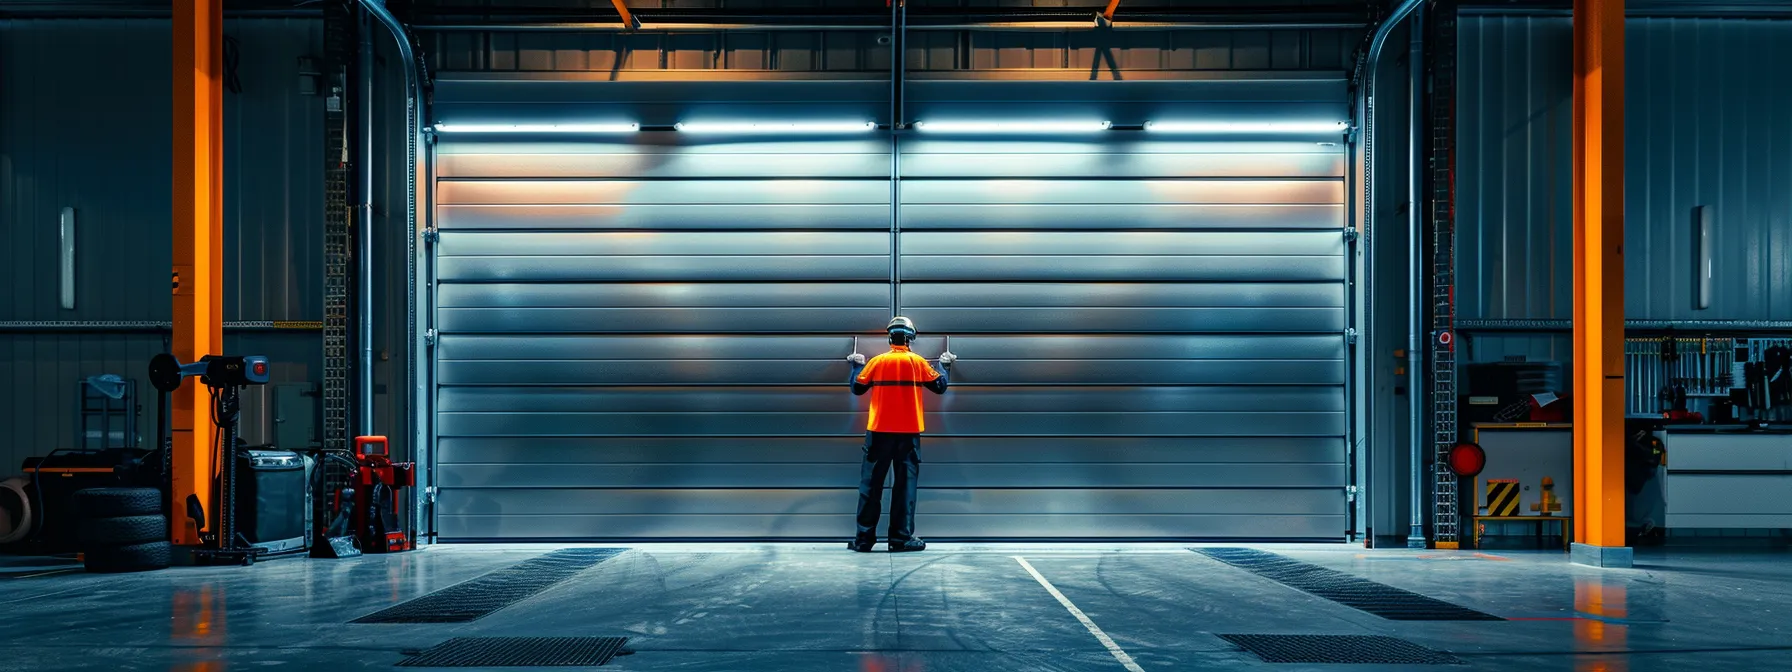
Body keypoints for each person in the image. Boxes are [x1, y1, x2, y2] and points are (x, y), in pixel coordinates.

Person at [845, 316, 954, 553]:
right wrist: (944, 364)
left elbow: (857, 387)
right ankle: (900, 539)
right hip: (907, 434)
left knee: (870, 487)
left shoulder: (877, 362)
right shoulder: (917, 362)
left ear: (889, 336)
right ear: (911, 337)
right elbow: (940, 386)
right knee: (905, 487)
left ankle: (864, 541)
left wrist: (856, 365)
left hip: (878, 432)